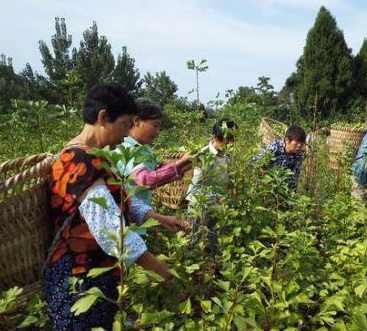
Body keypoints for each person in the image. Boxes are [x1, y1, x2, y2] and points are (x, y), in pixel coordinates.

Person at [43, 85, 174, 330]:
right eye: (125, 125)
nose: (126, 134)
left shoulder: (95, 155)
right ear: (103, 117)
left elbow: (118, 199)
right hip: (80, 278)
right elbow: (109, 228)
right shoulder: (78, 160)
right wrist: (158, 269)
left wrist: (157, 217)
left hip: (98, 272)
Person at [121, 97, 192, 232]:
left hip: (141, 218)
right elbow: (144, 180)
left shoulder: (145, 149)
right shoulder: (128, 148)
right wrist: (177, 166)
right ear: (136, 121)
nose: (158, 131)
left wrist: (181, 168)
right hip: (126, 224)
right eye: (155, 125)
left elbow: (154, 173)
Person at [186, 118, 238, 255]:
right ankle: (192, 263)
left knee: (214, 238)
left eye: (232, 139)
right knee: (194, 237)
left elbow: (229, 177)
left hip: (218, 202)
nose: (229, 143)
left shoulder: (228, 155)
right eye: (226, 139)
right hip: (200, 202)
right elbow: (197, 184)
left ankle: (213, 265)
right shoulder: (204, 154)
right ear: (215, 137)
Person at [253, 125, 306, 190]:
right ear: (287, 140)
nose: (299, 145)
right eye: (297, 142)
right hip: (265, 182)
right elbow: (256, 161)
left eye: (301, 143)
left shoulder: (298, 156)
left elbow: (294, 177)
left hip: (280, 186)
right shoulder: (275, 147)